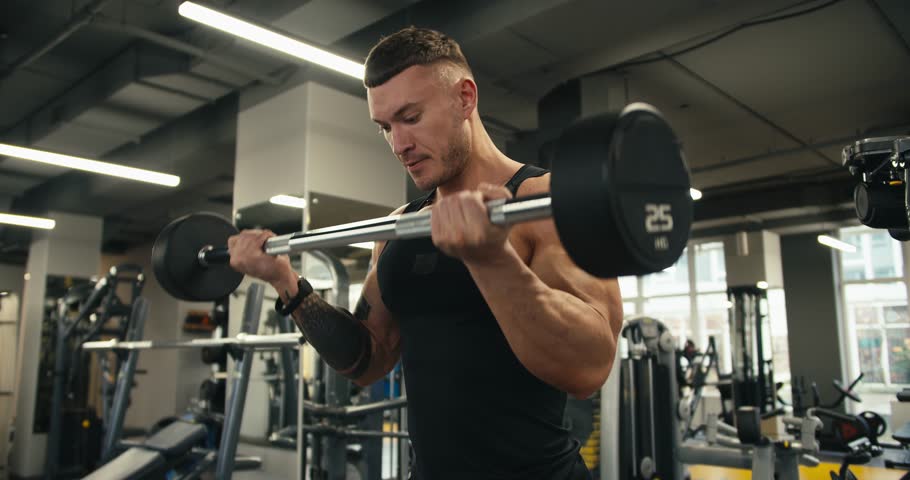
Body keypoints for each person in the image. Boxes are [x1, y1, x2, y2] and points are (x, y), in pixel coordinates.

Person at [227, 26, 622, 480]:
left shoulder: (543, 201)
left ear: (465, 98)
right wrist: (286, 282)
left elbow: (589, 367)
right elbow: (368, 360)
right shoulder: (399, 228)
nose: (399, 145)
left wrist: (493, 262)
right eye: (385, 128)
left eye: (411, 117)